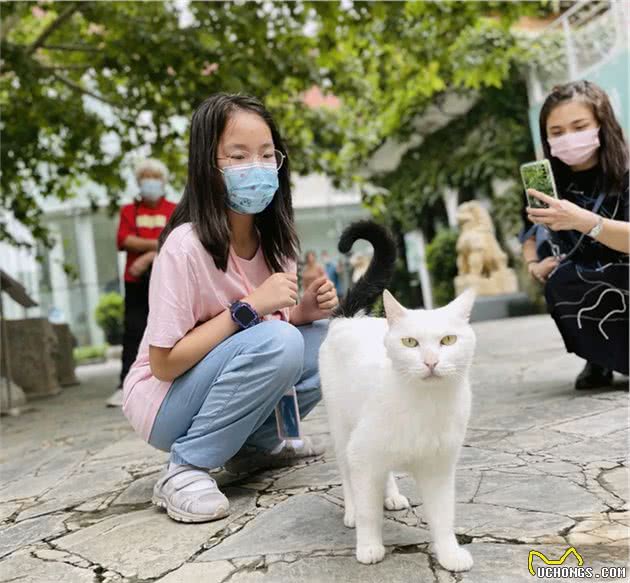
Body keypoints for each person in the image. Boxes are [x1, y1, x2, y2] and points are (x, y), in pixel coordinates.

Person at [122, 93, 338, 523]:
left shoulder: (278, 241)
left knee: (327, 343)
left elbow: (272, 330)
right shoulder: (184, 247)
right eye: (238, 156)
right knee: (279, 340)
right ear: (208, 165)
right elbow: (165, 364)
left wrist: (304, 311)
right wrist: (249, 308)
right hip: (166, 401)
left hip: (220, 372)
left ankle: (256, 447)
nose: (256, 167)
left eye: (265, 154)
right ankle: (185, 467)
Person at [521, 80, 629, 389]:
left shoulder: (625, 170)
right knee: (564, 280)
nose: (568, 138)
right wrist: (534, 264)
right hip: (582, 268)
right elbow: (528, 233)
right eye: (557, 132)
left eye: (579, 126)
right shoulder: (547, 181)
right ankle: (599, 358)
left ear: (601, 125)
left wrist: (584, 221)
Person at [106, 159, 176, 407]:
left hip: (167, 279)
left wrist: (146, 255)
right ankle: (124, 384)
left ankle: (168, 385)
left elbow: (177, 240)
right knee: (133, 330)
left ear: (163, 181)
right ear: (138, 182)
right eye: (145, 176)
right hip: (135, 281)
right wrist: (157, 245)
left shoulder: (174, 209)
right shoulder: (129, 211)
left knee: (170, 329)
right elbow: (124, 240)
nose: (150, 181)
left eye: (154, 176)